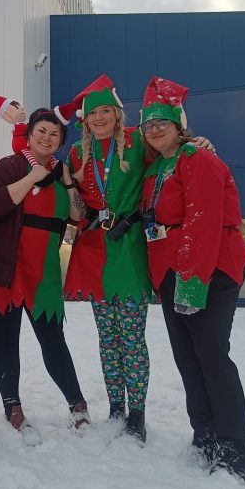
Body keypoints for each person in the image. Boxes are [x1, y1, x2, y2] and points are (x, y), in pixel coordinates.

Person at [139, 76, 245, 481]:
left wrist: (191, 281)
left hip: (211, 269)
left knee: (211, 355)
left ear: (179, 124)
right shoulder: (158, 168)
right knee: (187, 357)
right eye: (147, 124)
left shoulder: (198, 159)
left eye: (162, 123)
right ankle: (204, 434)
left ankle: (236, 449)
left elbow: (202, 222)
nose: (154, 130)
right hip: (174, 271)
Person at [0, 107, 90, 444]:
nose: (47, 138)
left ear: (61, 141)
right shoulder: (10, 166)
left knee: (52, 338)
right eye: (41, 131)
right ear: (29, 134)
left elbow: (78, 215)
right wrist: (33, 174)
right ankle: (11, 403)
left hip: (44, 270)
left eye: (54, 134)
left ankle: (76, 402)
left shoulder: (63, 173)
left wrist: (68, 179)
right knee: (6, 335)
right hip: (9, 265)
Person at [63, 75, 153, 442]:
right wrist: (70, 185)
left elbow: (171, 155)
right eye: (92, 113)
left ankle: (138, 412)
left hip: (128, 249)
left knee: (132, 337)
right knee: (107, 337)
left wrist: (197, 142)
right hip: (94, 250)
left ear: (117, 114)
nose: (98, 118)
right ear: (83, 119)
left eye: (105, 111)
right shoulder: (76, 154)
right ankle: (116, 404)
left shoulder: (139, 142)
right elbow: (79, 208)